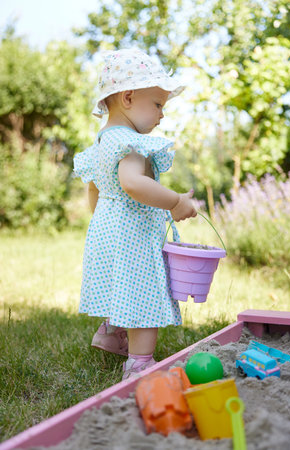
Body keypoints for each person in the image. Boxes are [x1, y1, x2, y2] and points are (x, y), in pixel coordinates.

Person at [73, 48, 197, 380]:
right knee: (143, 294)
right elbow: (131, 182)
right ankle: (140, 364)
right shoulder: (129, 142)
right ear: (128, 97)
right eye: (158, 105)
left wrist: (101, 221)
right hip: (133, 234)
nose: (162, 115)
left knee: (120, 284)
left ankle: (111, 334)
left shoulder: (102, 140)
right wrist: (174, 202)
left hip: (107, 230)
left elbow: (95, 188)